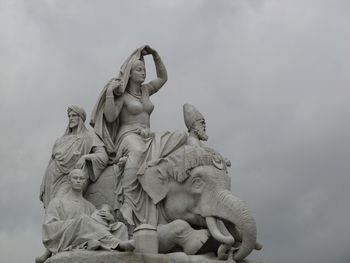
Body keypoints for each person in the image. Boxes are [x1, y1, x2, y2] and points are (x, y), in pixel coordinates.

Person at [90, 46, 187, 228]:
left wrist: (156, 56)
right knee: (138, 150)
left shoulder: (146, 91)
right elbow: (110, 117)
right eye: (139, 70)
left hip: (148, 135)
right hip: (127, 136)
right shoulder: (122, 95)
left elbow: (163, 78)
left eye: (144, 70)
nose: (143, 73)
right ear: (130, 72)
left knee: (180, 136)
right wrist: (110, 94)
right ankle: (128, 203)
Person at [40, 105, 109, 209]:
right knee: (52, 209)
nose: (71, 118)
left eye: (74, 115)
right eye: (69, 116)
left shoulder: (89, 136)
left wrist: (85, 157)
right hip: (52, 176)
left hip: (71, 176)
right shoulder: (61, 139)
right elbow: (51, 161)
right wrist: (43, 184)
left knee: (62, 203)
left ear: (80, 118)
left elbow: (103, 156)